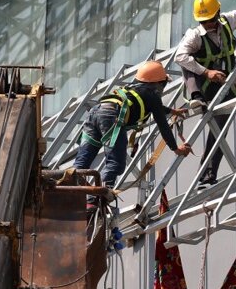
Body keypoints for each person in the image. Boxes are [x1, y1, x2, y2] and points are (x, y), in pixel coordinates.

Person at [173, 0, 236, 188]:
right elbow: (179, 56)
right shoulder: (194, 35)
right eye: (204, 21)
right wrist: (205, 72)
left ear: (217, 13)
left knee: (220, 130)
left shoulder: (226, 22)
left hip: (225, 84)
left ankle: (207, 175)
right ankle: (196, 96)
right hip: (204, 86)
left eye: (211, 20)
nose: (208, 24)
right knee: (186, 63)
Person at [74, 60, 192, 202]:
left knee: (81, 165)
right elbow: (163, 125)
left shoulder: (134, 89)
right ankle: (97, 200)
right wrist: (176, 149)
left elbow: (155, 108)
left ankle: (66, 194)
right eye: (163, 84)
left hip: (95, 113)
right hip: (112, 118)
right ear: (158, 83)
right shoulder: (152, 95)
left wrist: (172, 111)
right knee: (115, 164)